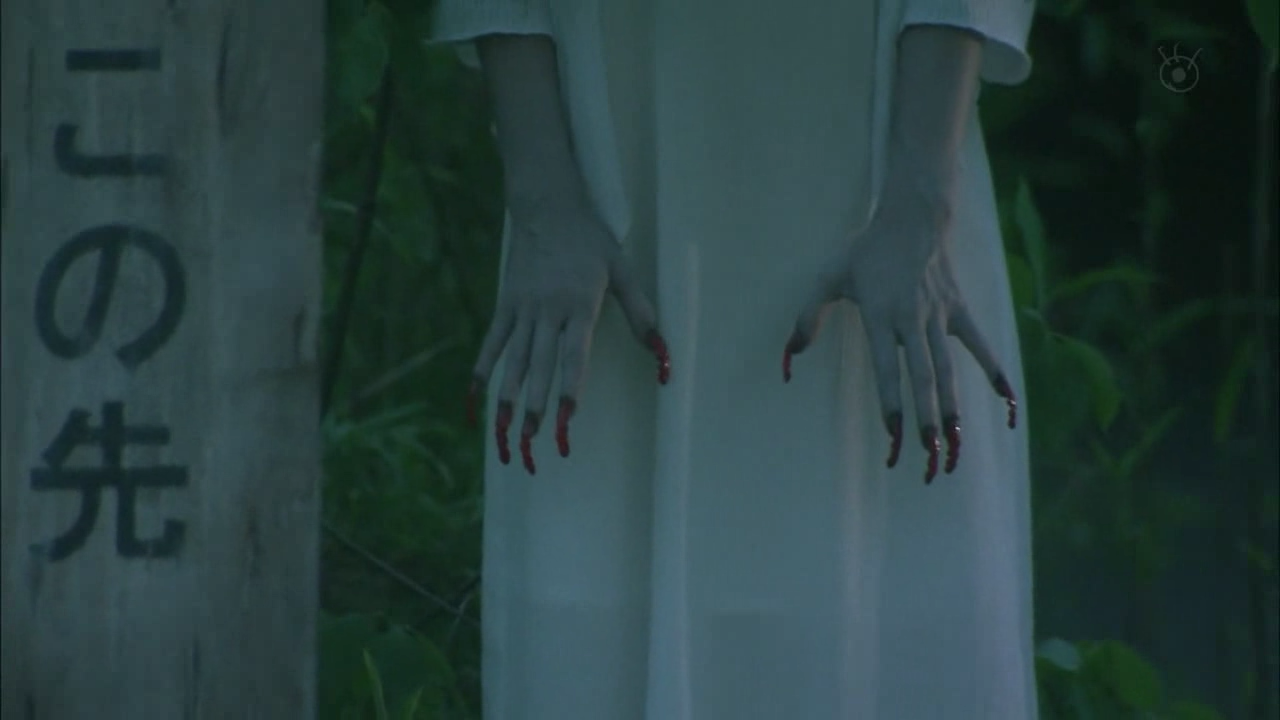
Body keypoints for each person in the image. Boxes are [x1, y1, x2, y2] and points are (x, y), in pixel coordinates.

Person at [433, 1, 1038, 718]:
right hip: (602, 203)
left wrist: (919, 207)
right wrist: (545, 202)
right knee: (598, 622)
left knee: (881, 614)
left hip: (887, 194)